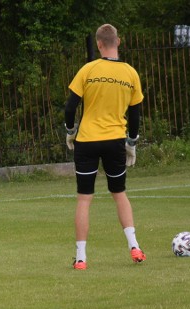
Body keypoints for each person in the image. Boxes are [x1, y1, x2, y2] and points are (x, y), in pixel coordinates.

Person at [64, 23, 145, 270]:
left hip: (87, 142)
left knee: (84, 199)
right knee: (119, 194)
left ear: (99, 44)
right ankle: (134, 247)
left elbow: (70, 108)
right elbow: (135, 115)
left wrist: (70, 132)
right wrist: (131, 142)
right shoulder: (131, 73)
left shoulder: (88, 69)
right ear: (118, 42)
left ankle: (81, 258)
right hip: (114, 142)